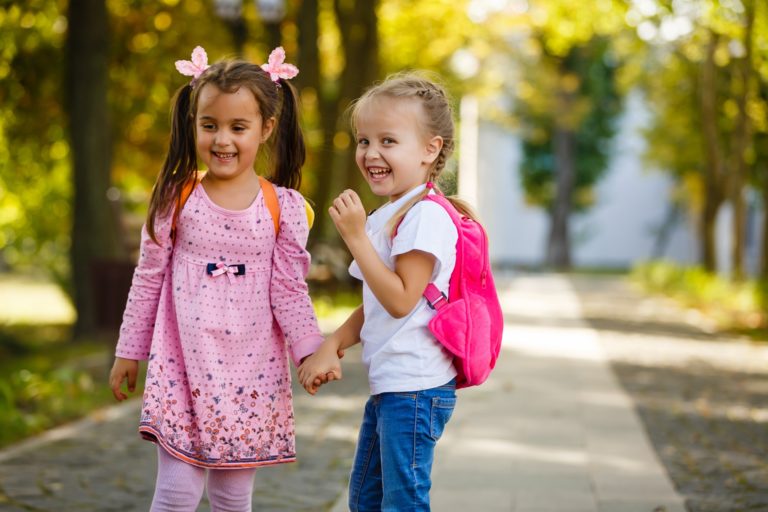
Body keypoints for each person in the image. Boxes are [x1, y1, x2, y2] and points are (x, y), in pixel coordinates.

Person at [109, 46, 338, 512]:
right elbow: (148, 278)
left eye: (238, 127)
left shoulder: (284, 208)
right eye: (209, 125)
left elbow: (290, 290)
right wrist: (128, 352)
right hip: (182, 368)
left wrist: (311, 352)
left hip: (249, 376)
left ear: (266, 128)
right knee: (175, 494)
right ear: (193, 122)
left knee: (233, 498)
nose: (222, 140)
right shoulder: (177, 196)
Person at [298, 72, 476, 511]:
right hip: (393, 387)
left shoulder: (425, 217)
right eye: (363, 140)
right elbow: (374, 302)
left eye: (388, 141)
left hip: (415, 389)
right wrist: (332, 344)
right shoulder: (394, 213)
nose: (371, 153)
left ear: (430, 149)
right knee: (367, 500)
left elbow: (400, 300)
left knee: (402, 502)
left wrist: (356, 237)